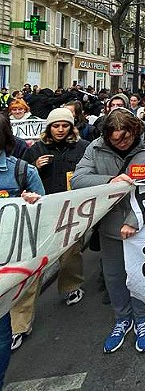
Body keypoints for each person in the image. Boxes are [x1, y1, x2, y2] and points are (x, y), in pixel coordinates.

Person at [73, 109, 145, 353]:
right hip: (110, 225)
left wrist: (134, 220)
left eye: (125, 138)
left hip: (143, 224)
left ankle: (142, 318)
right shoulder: (95, 148)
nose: (121, 143)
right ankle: (122, 319)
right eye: (115, 140)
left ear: (135, 131)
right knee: (115, 277)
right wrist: (109, 181)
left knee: (138, 275)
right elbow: (79, 179)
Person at [11, 108, 89, 349]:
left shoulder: (82, 147)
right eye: (56, 126)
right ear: (49, 128)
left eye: (65, 125)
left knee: (70, 253)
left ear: (71, 127)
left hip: (71, 210)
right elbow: (22, 178)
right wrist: (34, 166)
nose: (60, 130)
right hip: (42, 214)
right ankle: (20, 324)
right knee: (33, 266)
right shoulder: (35, 150)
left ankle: (71, 286)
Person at [0, 113, 44, 353]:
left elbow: (45, 207)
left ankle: (18, 327)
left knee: (20, 286)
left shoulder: (22, 171)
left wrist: (31, 200)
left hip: (16, 242)